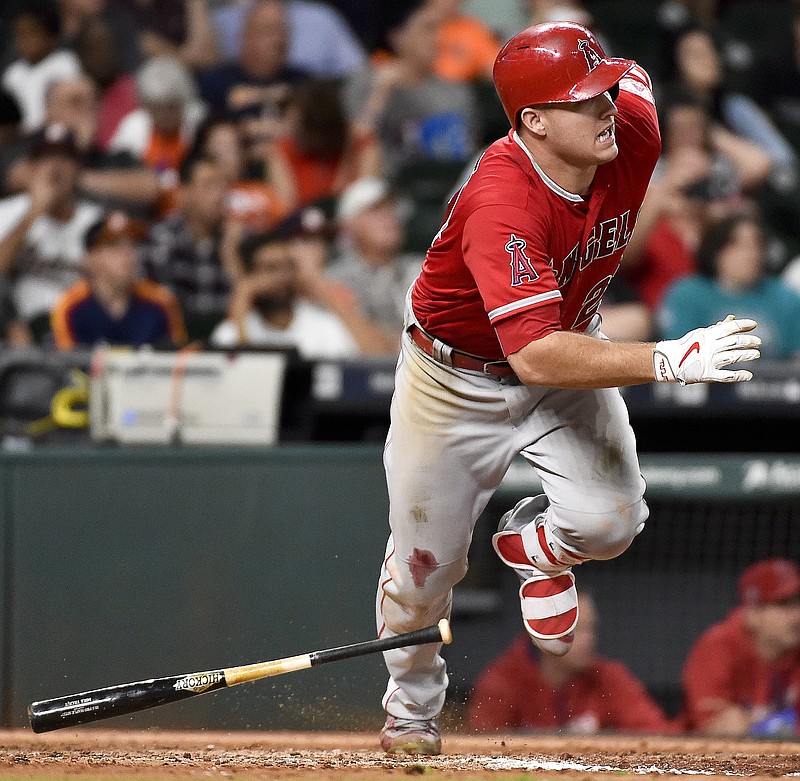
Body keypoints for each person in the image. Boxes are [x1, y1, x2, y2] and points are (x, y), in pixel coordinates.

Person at [374, 21, 761, 756]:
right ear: (535, 122)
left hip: (564, 350)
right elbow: (536, 357)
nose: (607, 105)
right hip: (455, 377)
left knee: (614, 521)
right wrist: (668, 359)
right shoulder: (501, 201)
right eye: (585, 99)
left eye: (604, 90)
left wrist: (600, 63)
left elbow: (638, 77)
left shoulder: (633, 127)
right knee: (426, 572)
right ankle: (412, 709)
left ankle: (535, 546)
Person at [467, 593, 673, 734]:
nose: (588, 639)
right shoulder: (504, 679)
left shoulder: (607, 677)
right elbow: (482, 742)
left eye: (590, 629)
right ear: (543, 631)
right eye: (576, 630)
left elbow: (658, 733)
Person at [342, 1, 479, 178]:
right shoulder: (366, 83)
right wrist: (379, 95)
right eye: (427, 29)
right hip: (387, 189)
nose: (437, 38)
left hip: (447, 187)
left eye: (439, 29)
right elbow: (353, 150)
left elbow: (469, 157)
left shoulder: (457, 93)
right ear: (396, 35)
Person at [0, 123, 103, 338]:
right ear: (32, 167)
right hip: (27, 330)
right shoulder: (8, 212)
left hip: (81, 330)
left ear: (78, 169)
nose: (56, 167)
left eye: (65, 158)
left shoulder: (96, 220)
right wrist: (34, 212)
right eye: (46, 157)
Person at [681, 558, 800, 738]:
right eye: (783, 605)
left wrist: (755, 723)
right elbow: (715, 727)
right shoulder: (718, 645)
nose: (796, 616)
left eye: (797, 603)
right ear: (752, 614)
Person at [657, 213, 800, 360]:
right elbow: (679, 355)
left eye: (756, 245)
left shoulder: (785, 297)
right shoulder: (687, 295)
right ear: (716, 251)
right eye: (738, 246)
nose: (751, 254)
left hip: (772, 380)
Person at [209, 222, 360, 358]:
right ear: (251, 277)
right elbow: (241, 375)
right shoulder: (232, 330)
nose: (280, 277)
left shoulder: (322, 324)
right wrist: (241, 302)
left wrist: (322, 293)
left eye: (287, 267)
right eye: (270, 268)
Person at [140, 153, 242, 341]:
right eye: (209, 186)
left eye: (223, 186)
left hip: (231, 349)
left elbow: (252, 314)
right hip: (176, 347)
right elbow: (161, 310)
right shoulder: (163, 238)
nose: (220, 195)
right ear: (183, 193)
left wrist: (231, 256)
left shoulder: (238, 239)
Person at [51, 210, 186, 350]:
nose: (127, 254)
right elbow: (67, 365)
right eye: (114, 247)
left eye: (132, 245)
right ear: (90, 259)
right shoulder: (70, 306)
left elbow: (177, 361)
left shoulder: (161, 302)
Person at [327, 177, 423, 354]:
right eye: (375, 210)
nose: (390, 216)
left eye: (391, 208)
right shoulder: (335, 278)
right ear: (349, 226)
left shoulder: (421, 268)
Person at [265, 79, 380, 212]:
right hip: (306, 227)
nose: (290, 134)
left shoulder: (359, 142)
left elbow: (367, 200)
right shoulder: (283, 148)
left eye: (298, 128)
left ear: (321, 130)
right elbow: (287, 210)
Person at [1, 0, 81, 132]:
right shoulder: (13, 73)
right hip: (19, 139)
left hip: (56, 134)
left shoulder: (65, 63)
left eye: (32, 34)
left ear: (51, 36)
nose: (25, 41)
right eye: (21, 35)